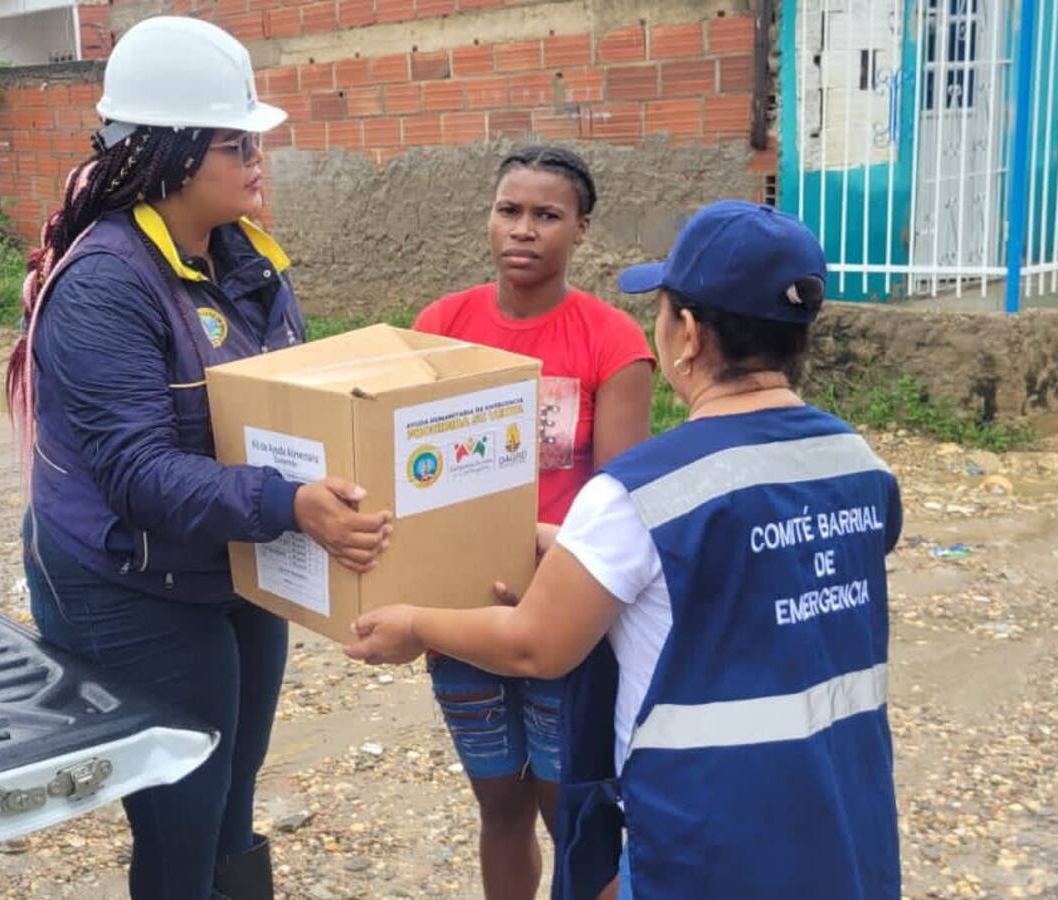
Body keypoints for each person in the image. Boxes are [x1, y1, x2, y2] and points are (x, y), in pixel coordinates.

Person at [347, 201, 903, 900]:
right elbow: (756, 572)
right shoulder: (859, 463)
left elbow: (534, 647)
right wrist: (573, 550)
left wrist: (414, 625)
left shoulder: (642, 492)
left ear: (689, 335)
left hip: (707, 830)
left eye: (664, 310)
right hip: (838, 813)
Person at [5, 17, 391, 900]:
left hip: (239, 558)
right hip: (130, 583)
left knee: (234, 795)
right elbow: (138, 475)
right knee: (184, 814)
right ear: (168, 153)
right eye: (233, 141)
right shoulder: (106, 283)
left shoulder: (242, 252)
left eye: (254, 137)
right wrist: (294, 504)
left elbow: (286, 393)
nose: (257, 156)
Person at [413, 145, 655, 900]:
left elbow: (621, 497)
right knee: (500, 805)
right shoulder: (441, 325)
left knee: (570, 811)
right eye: (508, 211)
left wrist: (550, 576)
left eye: (547, 215)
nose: (523, 230)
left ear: (581, 230)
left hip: (564, 618)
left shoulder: (613, 341)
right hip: (460, 610)